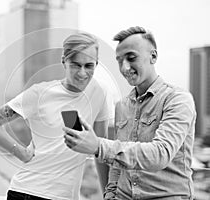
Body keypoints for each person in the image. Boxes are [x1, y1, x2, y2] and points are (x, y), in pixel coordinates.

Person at [63, 26, 196, 200]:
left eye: (131, 58)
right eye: (119, 61)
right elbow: (118, 164)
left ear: (153, 56)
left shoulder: (178, 99)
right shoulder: (122, 106)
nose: (125, 67)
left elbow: (160, 154)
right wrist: (110, 193)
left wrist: (97, 145)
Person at [0, 32, 112, 200]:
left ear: (97, 64)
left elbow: (100, 149)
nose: (82, 72)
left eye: (89, 65)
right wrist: (21, 153)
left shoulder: (99, 93)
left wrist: (109, 194)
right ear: (64, 61)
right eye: (75, 65)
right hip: (27, 193)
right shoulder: (39, 93)